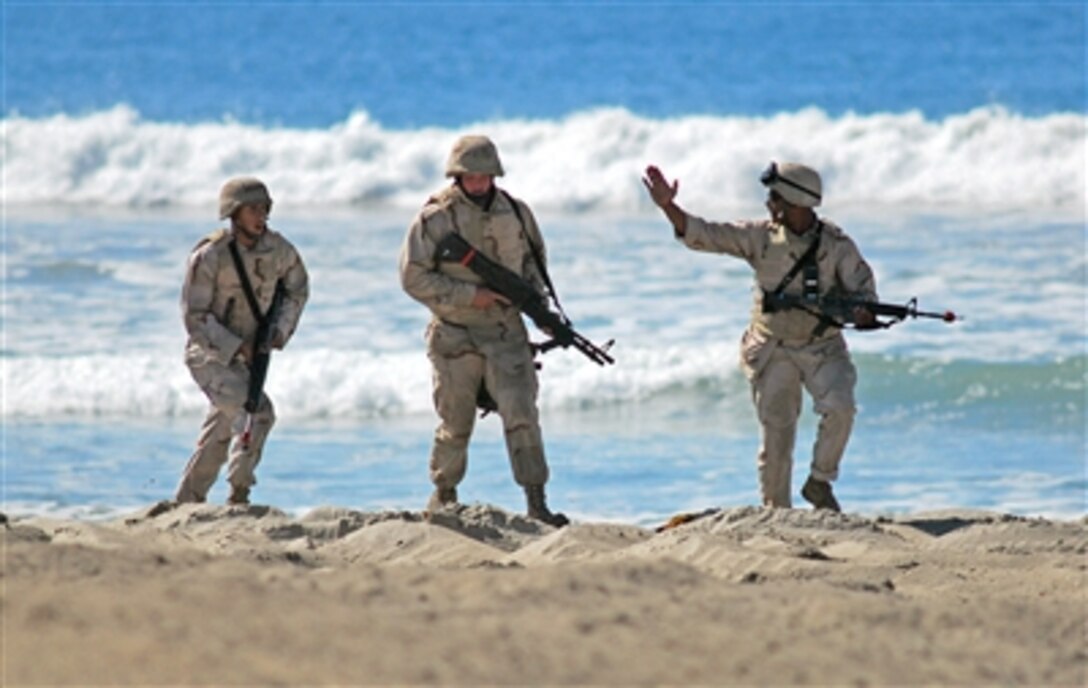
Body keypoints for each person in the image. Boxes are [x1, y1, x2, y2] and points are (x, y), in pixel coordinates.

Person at [642, 162, 878, 511]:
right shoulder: (761, 237)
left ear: (796, 202)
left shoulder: (837, 245)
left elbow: (864, 294)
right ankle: (777, 512)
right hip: (773, 348)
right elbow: (706, 234)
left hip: (822, 346)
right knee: (777, 435)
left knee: (841, 409)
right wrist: (667, 206)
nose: (769, 204)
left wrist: (863, 313)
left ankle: (820, 482)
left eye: (775, 197)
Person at [399, 135, 569, 527]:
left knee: (522, 415)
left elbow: (533, 268)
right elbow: (412, 277)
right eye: (470, 176)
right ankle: (444, 497)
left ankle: (537, 502)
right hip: (455, 334)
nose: (478, 183)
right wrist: (468, 296)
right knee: (455, 423)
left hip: (506, 333)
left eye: (484, 176)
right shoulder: (435, 219)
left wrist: (539, 309)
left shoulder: (517, 213)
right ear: (457, 176)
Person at [175, 177, 309, 505]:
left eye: (265, 208)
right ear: (233, 212)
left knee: (220, 431)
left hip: (251, 356)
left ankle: (185, 503)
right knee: (258, 413)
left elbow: (297, 288)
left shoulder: (279, 250)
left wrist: (278, 331)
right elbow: (195, 316)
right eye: (253, 209)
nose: (261, 215)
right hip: (211, 356)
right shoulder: (211, 255)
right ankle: (240, 493)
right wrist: (236, 346)